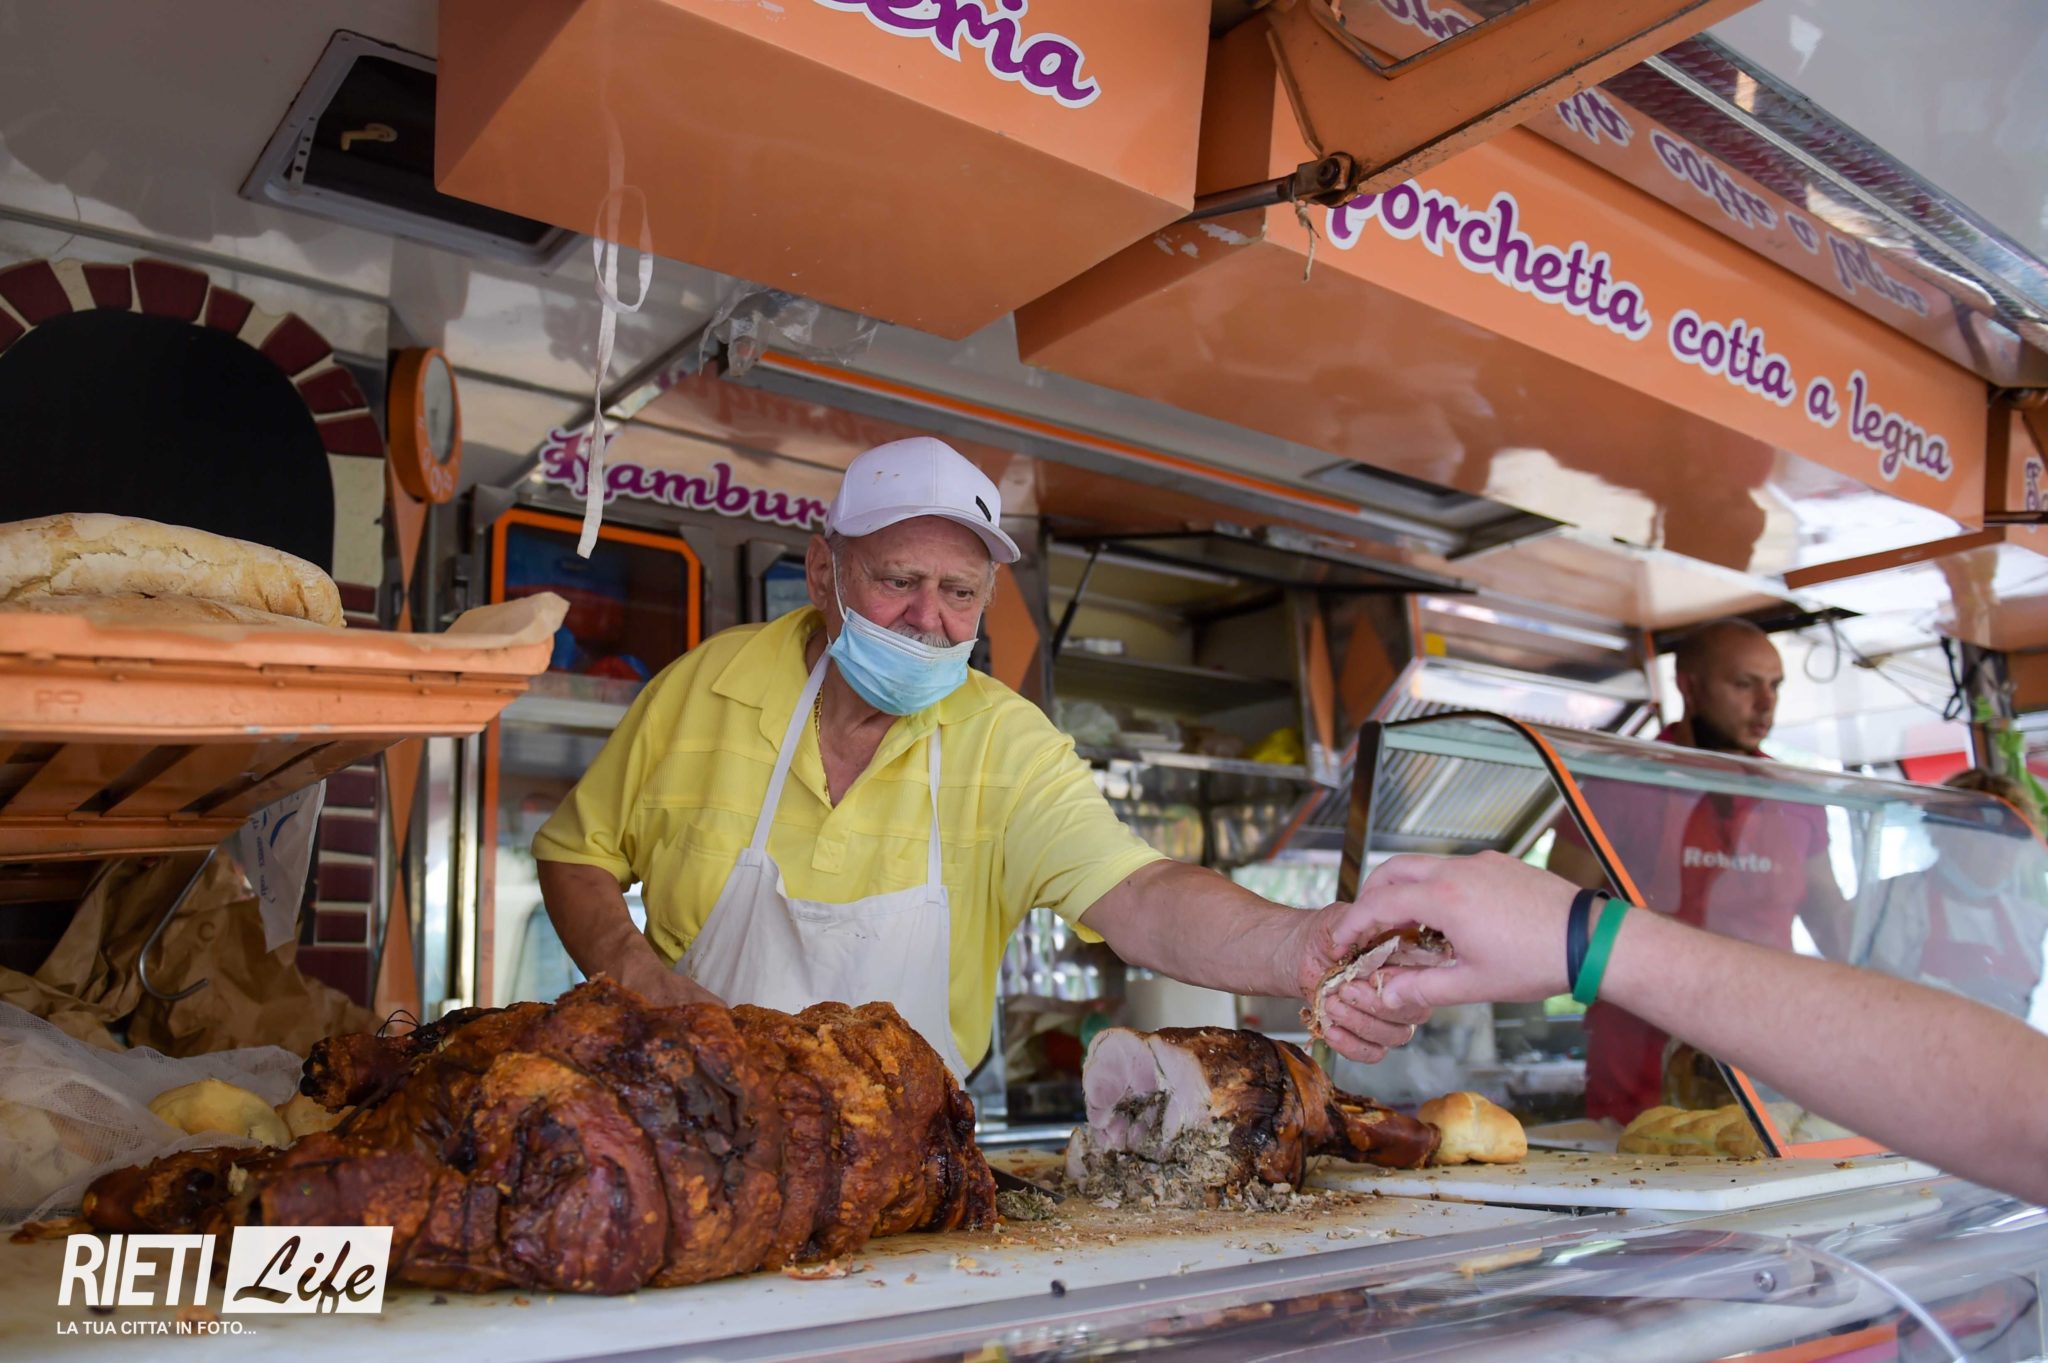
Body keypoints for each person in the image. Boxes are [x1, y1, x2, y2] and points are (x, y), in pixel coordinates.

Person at [532, 436, 1397, 1074]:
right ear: (824, 570)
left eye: (959, 593)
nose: (928, 619)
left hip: (906, 1162)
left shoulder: (1008, 744)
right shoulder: (704, 687)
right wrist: (636, 975)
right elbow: (575, 853)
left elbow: (1141, 895)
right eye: (898, 581)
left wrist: (1297, 943)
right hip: (695, 1122)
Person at [1318, 850, 2048, 1207]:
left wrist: (1585, 937)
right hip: (1643, 1061)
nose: (1764, 700)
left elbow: (2021, 1119)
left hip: (1778, 1063)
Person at [1547, 618, 1843, 1121]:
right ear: (1689, 686)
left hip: (1770, 1047)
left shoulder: (1795, 796)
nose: (1766, 704)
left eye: (1774, 686)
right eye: (1744, 684)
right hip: (1642, 1059)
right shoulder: (1619, 782)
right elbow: (1557, 914)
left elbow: (1831, 917)